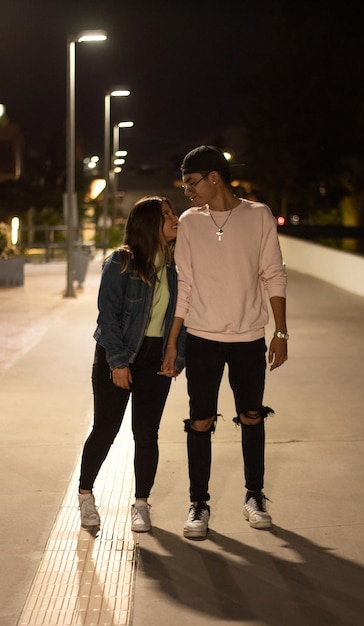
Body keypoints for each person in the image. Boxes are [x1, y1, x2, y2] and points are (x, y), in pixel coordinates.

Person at [160, 145, 288, 539]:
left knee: (252, 415)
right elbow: (184, 286)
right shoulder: (190, 222)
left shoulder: (259, 215)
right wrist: (172, 341)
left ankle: (255, 496)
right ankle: (198, 504)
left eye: (191, 183)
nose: (187, 191)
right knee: (200, 421)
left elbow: (273, 273)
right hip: (202, 338)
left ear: (214, 177)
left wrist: (281, 331)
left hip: (249, 337)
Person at [78, 195, 184, 533]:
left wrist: (176, 355)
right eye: (167, 214)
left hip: (156, 358)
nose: (175, 217)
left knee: (147, 433)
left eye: (173, 212)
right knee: (106, 429)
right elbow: (108, 317)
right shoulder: (121, 262)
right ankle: (85, 495)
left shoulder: (176, 265)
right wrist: (119, 362)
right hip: (119, 352)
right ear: (150, 222)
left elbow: (185, 316)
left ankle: (141, 503)